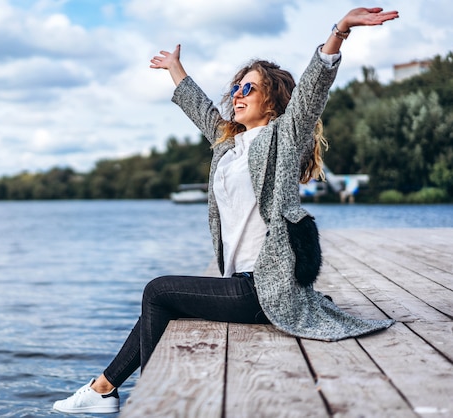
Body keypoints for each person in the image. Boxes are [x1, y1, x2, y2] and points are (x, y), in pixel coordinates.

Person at [53, 7, 399, 414]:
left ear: (272, 101)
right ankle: (106, 390)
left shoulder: (282, 139)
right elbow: (198, 106)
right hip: (244, 284)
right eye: (235, 87)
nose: (237, 94)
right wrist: (175, 69)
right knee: (164, 300)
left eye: (248, 89)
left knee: (158, 292)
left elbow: (313, 87)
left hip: (264, 290)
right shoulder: (228, 146)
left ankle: (130, 395)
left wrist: (339, 31)